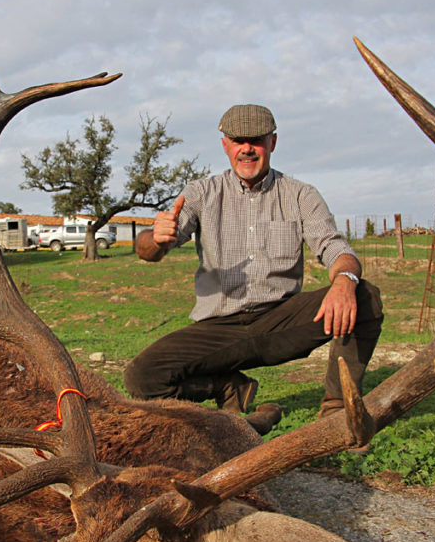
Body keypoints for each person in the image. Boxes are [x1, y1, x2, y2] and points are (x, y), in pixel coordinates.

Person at [122, 104, 383, 437]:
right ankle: (228, 388)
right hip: (219, 327)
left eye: (256, 140)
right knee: (141, 376)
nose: (247, 148)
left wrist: (345, 281)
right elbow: (150, 251)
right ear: (226, 145)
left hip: (281, 321)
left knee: (364, 296)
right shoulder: (201, 193)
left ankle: (336, 409)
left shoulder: (300, 194)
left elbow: (335, 248)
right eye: (237, 140)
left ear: (272, 142)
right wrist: (155, 239)